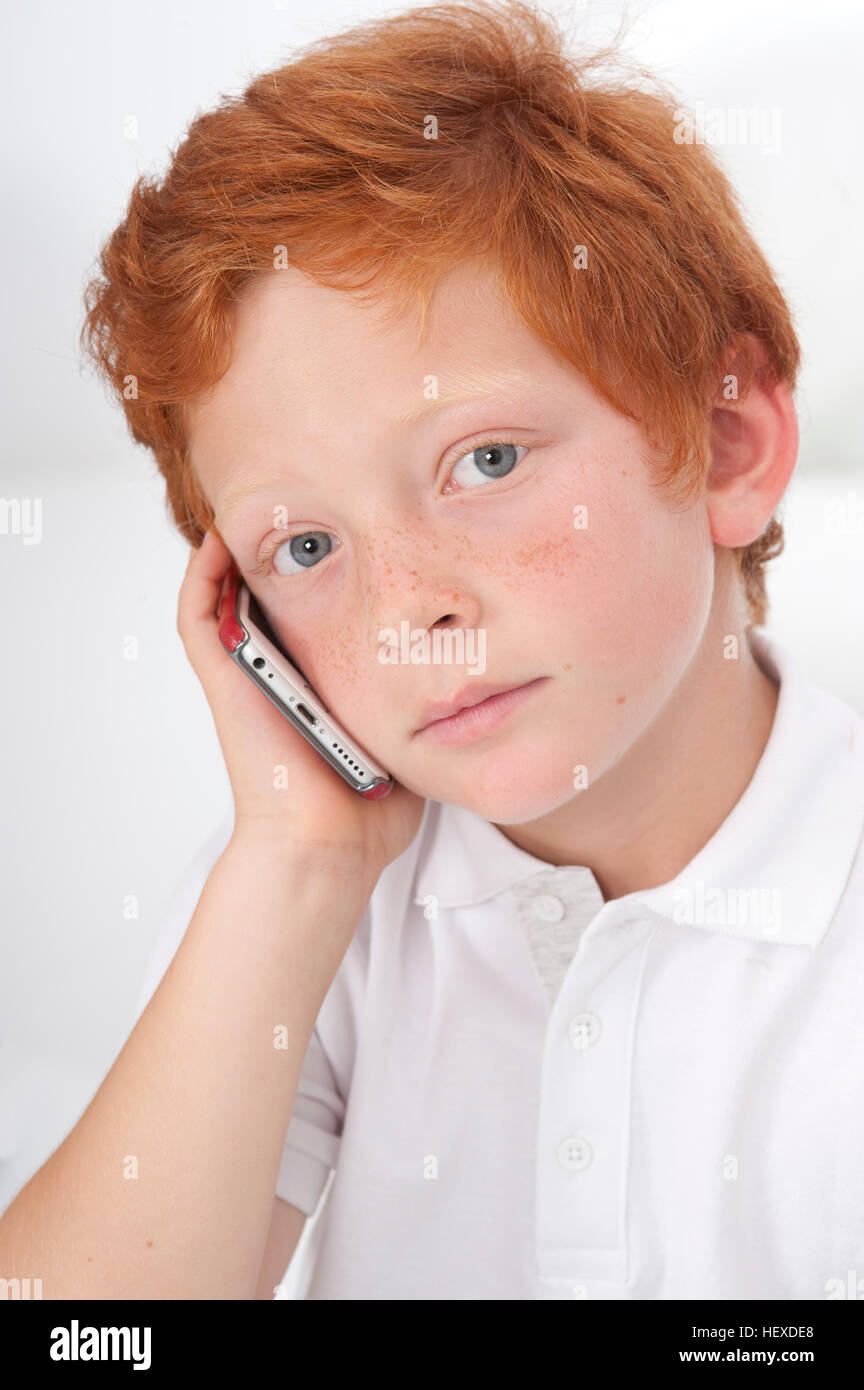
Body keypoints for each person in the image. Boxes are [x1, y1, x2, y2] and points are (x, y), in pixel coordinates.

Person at [2, 0, 863, 1300]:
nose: (410, 608)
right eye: (305, 547)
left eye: (487, 461)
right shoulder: (308, 909)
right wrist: (297, 864)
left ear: (730, 443)